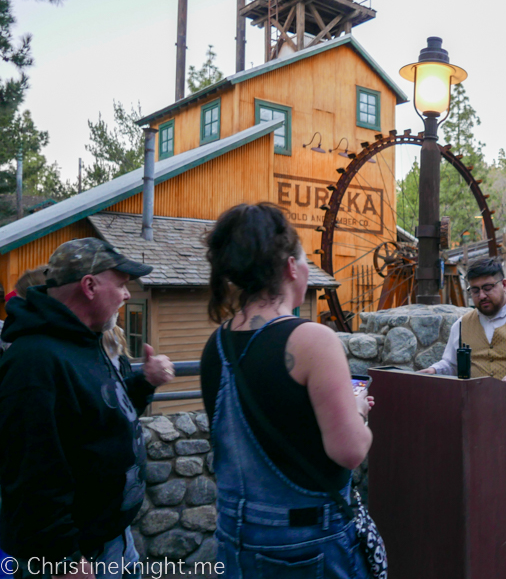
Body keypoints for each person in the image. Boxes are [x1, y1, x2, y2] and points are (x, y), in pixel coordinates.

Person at [199, 203, 374, 578]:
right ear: (291, 268)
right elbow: (350, 451)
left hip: (234, 540)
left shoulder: (216, 344)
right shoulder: (312, 340)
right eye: (305, 259)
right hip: (306, 546)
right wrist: (358, 410)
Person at [0, 238, 175, 579]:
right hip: (75, 558)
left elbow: (104, 417)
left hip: (114, 542)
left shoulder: (87, 341)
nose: (127, 295)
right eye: (122, 285)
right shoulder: (34, 362)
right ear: (89, 286)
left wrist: (144, 383)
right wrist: (64, 560)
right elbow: (31, 477)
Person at [421, 257, 506, 392]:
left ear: (504, 285)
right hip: (477, 408)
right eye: (475, 290)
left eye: (487, 288)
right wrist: (434, 370)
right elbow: (451, 364)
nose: (481, 296)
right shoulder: (461, 325)